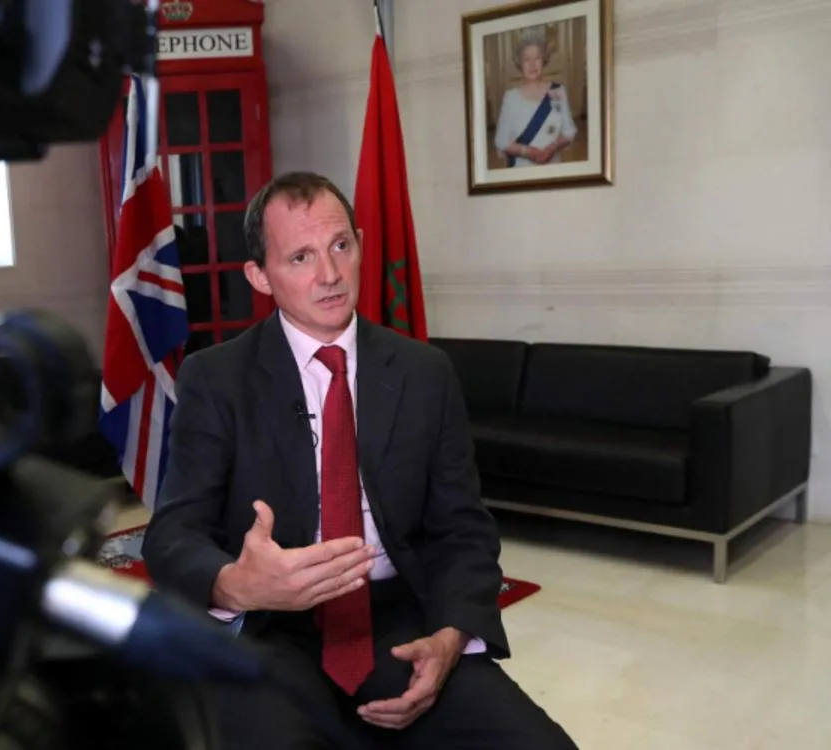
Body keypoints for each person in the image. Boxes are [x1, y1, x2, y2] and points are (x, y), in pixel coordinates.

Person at [141, 171, 576, 749]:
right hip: (270, 631)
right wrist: (235, 584)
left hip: (398, 624)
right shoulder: (215, 378)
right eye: (300, 257)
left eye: (340, 246)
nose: (330, 274)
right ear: (259, 276)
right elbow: (172, 535)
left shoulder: (424, 373)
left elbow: (463, 529)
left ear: (361, 245)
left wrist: (450, 638)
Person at [493, 27, 578, 168]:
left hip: (553, 168)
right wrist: (528, 152)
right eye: (527, 59)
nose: (532, 64)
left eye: (537, 58)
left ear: (544, 60)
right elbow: (501, 141)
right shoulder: (510, 97)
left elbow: (570, 131)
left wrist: (552, 148)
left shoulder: (558, 91)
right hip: (522, 171)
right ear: (520, 63)